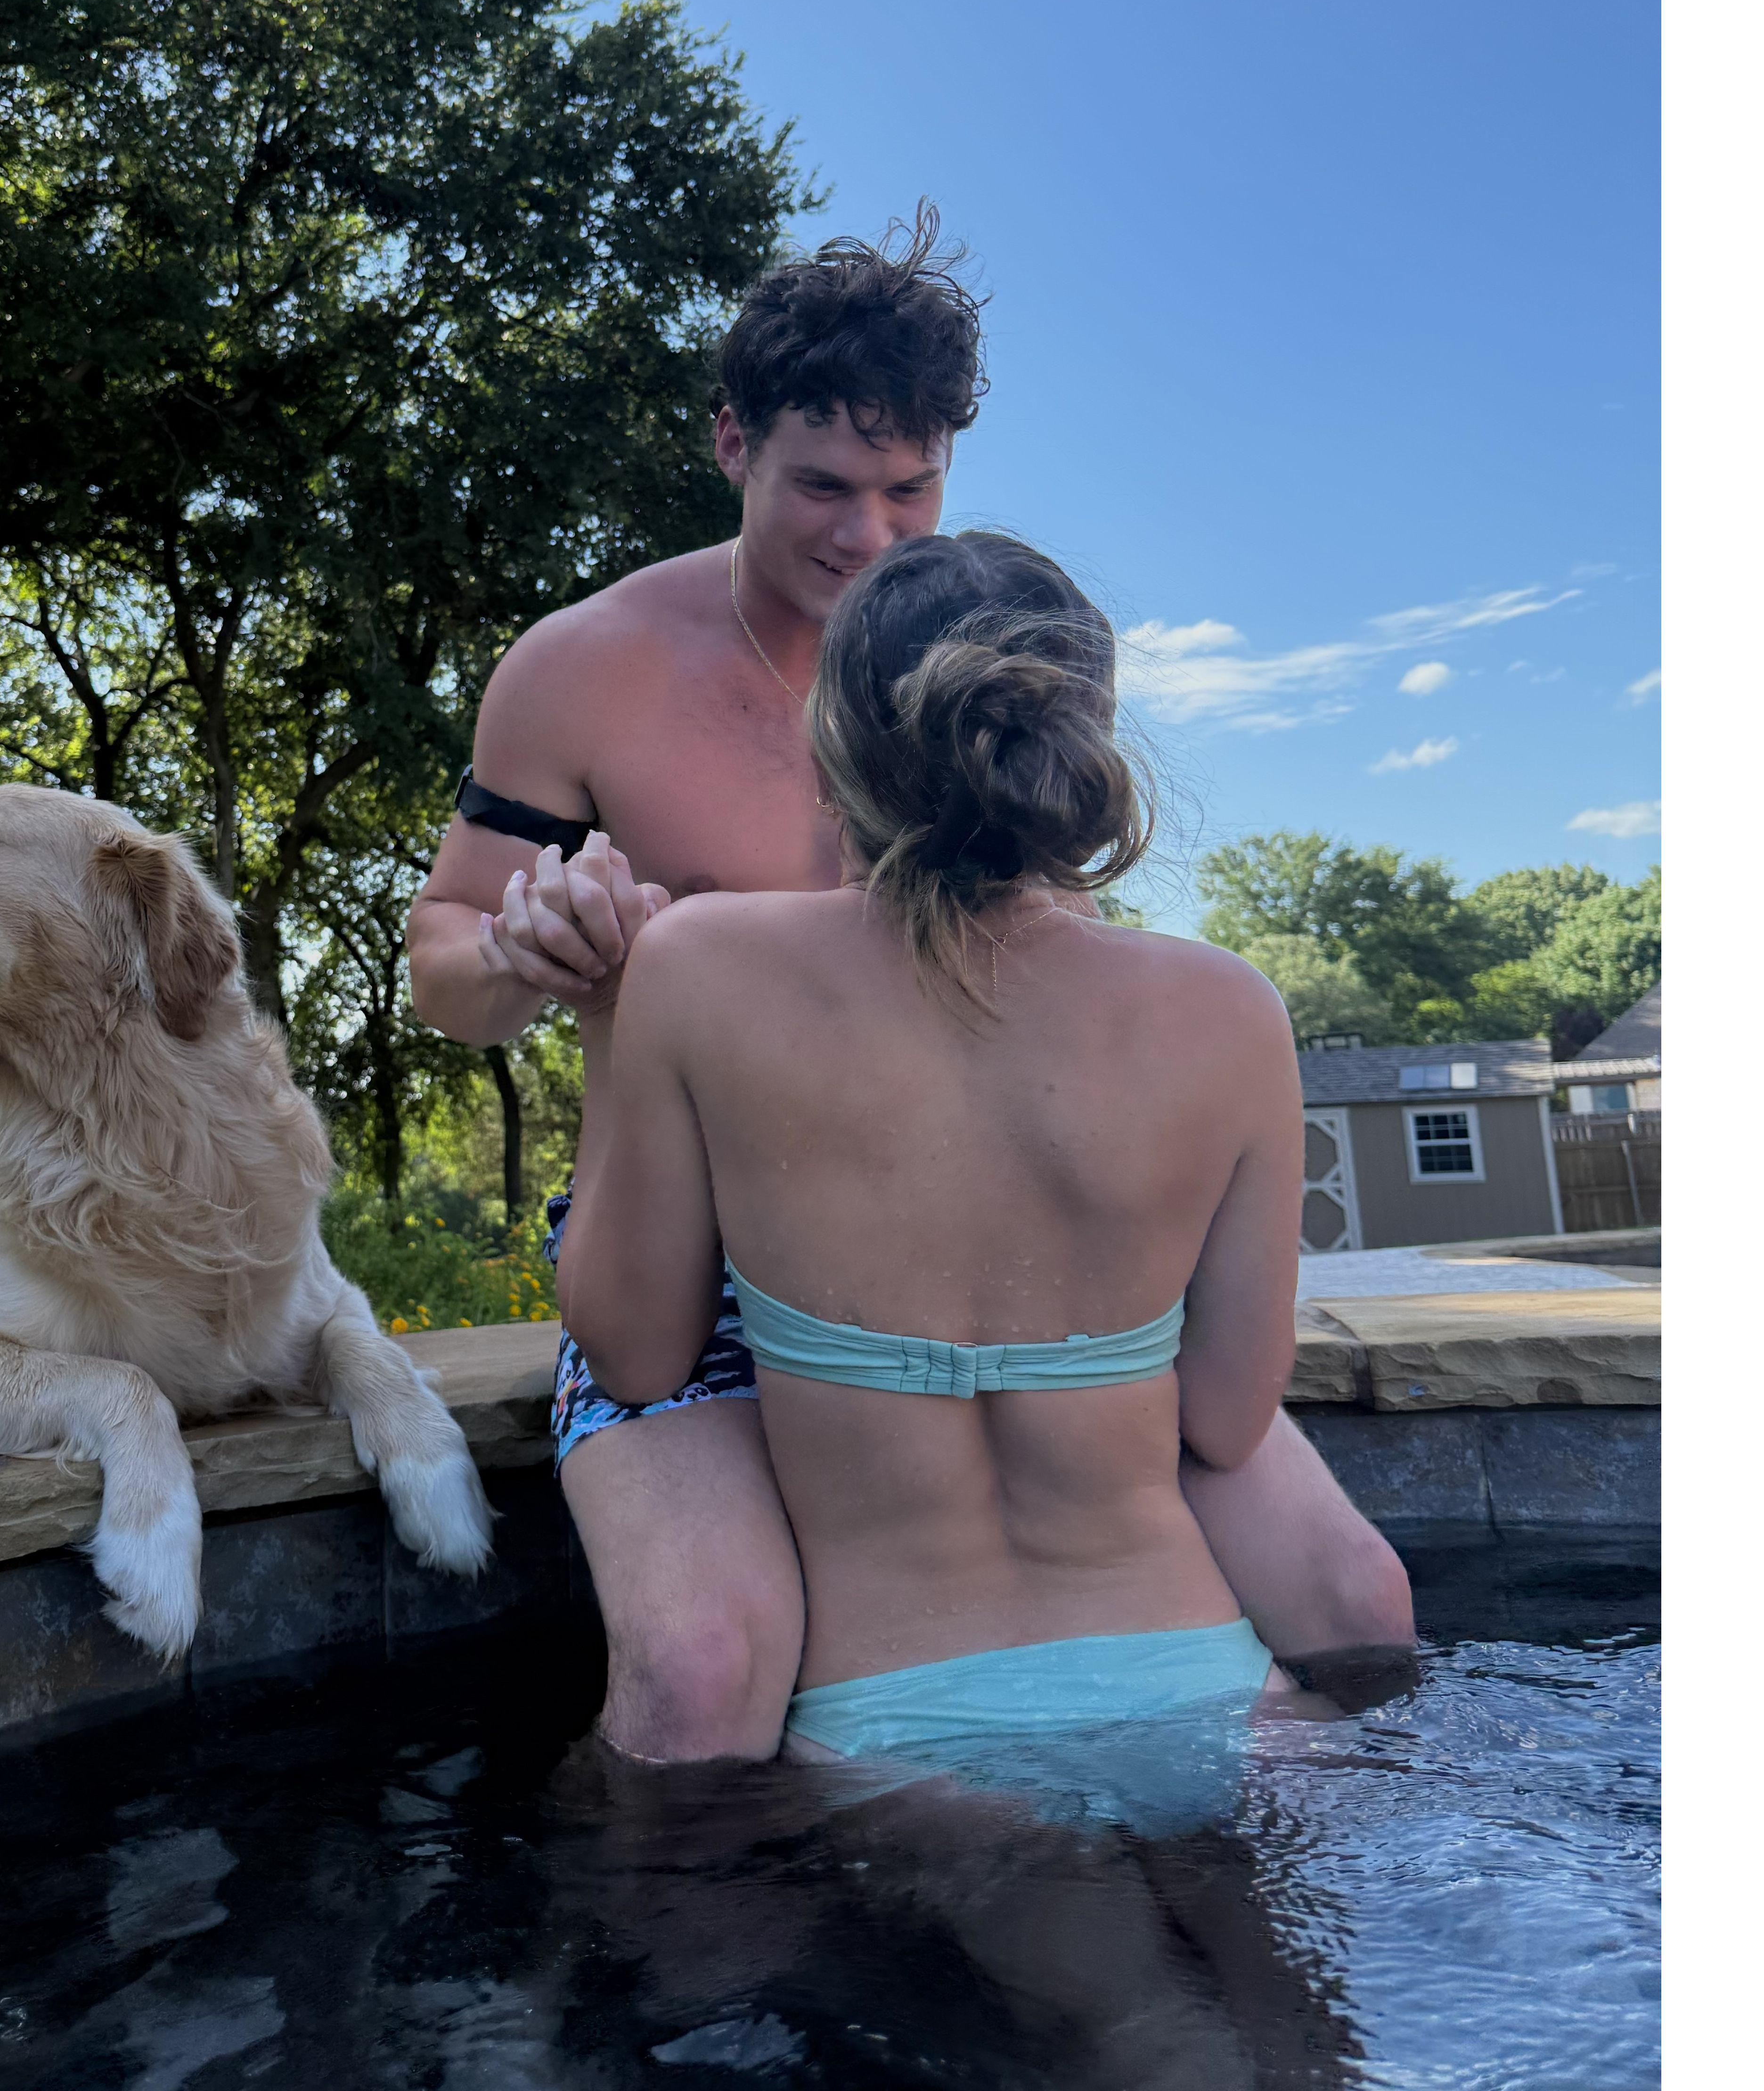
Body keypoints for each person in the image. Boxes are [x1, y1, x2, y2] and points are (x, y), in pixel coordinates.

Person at [406, 213, 1411, 1761]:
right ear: (733, 444)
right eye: (823, 486)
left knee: (1357, 1595)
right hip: (686, 1254)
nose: (869, 535)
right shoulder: (586, 668)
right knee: (702, 1672)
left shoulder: (992, 652)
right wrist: (527, 952)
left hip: (974, 1241)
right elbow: (445, 970)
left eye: (911, 489)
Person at [555, 529, 1328, 1778]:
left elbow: (635, 1358)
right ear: (1077, 746)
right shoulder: (1229, 1009)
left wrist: (606, 1011)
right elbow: (1232, 1422)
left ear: (828, 755)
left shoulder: (699, 968)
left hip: (903, 1736)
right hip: (1215, 1694)